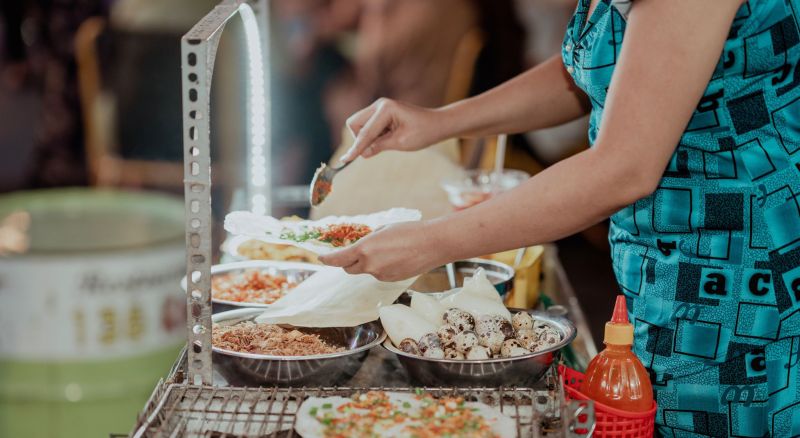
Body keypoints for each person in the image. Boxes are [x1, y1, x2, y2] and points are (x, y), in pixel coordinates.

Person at [319, 0, 800, 435]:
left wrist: (431, 241)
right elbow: (593, 70)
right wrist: (439, 121)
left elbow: (622, 170)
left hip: (740, 281)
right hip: (668, 265)